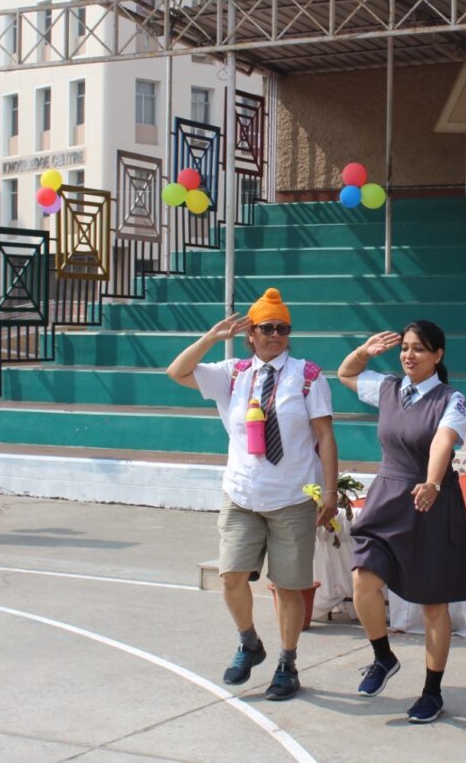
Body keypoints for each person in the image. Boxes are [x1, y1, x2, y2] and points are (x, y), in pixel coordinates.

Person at [166, 288, 338, 701]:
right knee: (231, 577)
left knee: (289, 586)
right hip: (242, 494)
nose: (275, 335)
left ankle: (287, 662)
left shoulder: (308, 374)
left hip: (292, 497)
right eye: (267, 328)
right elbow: (177, 372)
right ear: (251, 334)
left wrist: (329, 490)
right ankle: (249, 642)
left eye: (282, 329)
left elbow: (325, 436)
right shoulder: (233, 372)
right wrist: (210, 338)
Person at [336, 320, 466, 724]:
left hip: (429, 502)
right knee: (363, 580)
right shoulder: (387, 388)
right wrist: (365, 351)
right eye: (404, 347)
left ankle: (432, 692)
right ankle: (383, 657)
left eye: (419, 348)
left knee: (433, 605)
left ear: (438, 355)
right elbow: (346, 374)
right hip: (387, 496)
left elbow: (442, 441)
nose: (408, 355)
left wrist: (433, 481)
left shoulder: (451, 400)